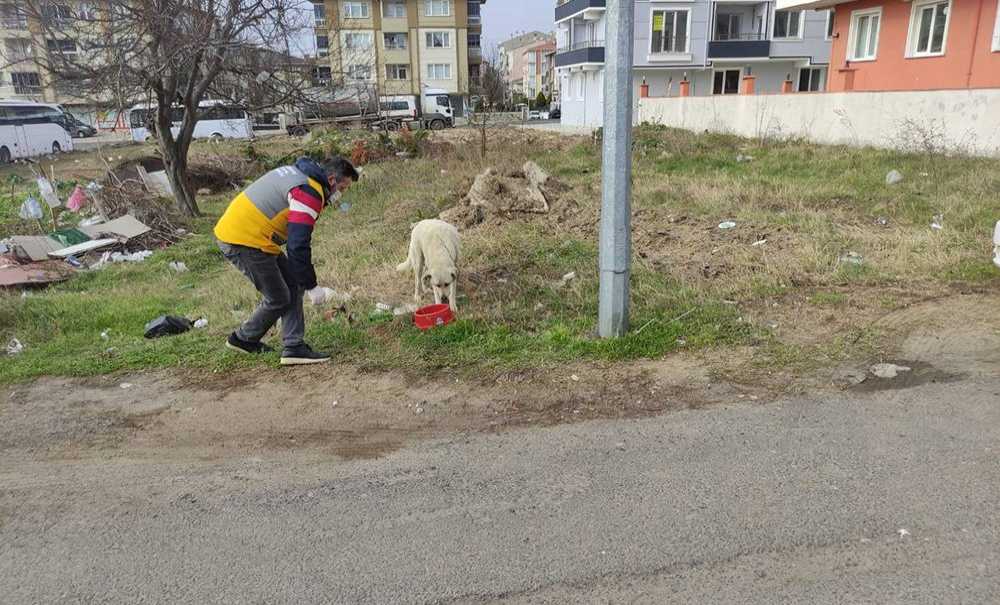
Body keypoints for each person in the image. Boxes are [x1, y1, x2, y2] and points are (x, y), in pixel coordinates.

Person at [214, 156, 358, 366]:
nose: (340, 195)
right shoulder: (309, 193)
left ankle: (291, 346)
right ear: (332, 180)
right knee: (279, 296)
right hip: (243, 239)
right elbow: (298, 244)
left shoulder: (300, 174)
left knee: (292, 284)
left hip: (248, 233)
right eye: (343, 188)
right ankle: (244, 339)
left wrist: (304, 281)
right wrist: (312, 286)